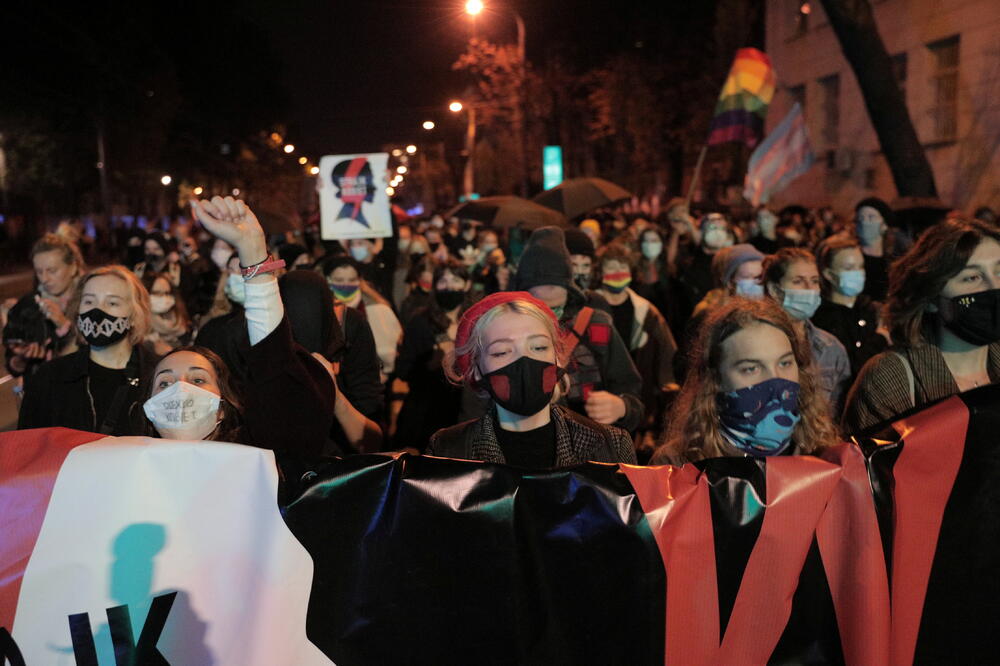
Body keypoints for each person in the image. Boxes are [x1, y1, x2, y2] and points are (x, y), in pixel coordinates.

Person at [139, 196, 338, 472]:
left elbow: (273, 364)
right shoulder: (128, 467)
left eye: (198, 379)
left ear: (222, 406)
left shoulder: (254, 464)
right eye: (164, 383)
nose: (181, 390)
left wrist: (252, 246)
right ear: (148, 406)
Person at [428, 291, 636, 466]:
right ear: (476, 370)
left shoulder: (611, 446)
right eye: (502, 352)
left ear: (557, 358)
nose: (524, 359)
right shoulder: (448, 451)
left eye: (538, 347)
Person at [842, 217, 1000, 433]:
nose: (994, 286)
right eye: (972, 277)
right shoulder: (890, 379)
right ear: (931, 298)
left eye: (999, 271)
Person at [651, 298, 839, 464]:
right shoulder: (677, 466)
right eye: (751, 368)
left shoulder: (825, 455)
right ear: (715, 380)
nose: (776, 379)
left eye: (785, 363)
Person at [503, 226, 644, 433]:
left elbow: (632, 392)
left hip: (591, 448)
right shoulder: (503, 332)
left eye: (556, 308)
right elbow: (478, 405)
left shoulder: (596, 324)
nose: (551, 318)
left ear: (570, 294)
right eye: (540, 309)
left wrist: (621, 407)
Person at [18, 265, 157, 435]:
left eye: (112, 302)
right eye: (89, 301)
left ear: (135, 315)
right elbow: (27, 447)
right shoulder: (50, 377)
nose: (97, 311)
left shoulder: (157, 377)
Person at [594, 243, 679, 451]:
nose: (617, 272)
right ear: (600, 271)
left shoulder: (646, 311)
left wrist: (667, 387)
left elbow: (667, 353)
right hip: (597, 394)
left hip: (637, 396)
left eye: (622, 266)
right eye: (611, 266)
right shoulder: (588, 308)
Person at [394, 260, 473, 450]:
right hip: (427, 412)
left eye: (455, 280)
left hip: (466, 411)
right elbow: (403, 370)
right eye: (442, 281)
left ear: (467, 284)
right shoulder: (421, 321)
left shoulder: (474, 322)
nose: (449, 286)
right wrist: (431, 363)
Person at [762, 248, 851, 412]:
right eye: (798, 281)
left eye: (815, 281)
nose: (809, 288)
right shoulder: (757, 345)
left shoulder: (832, 348)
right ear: (774, 290)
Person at [3, 233, 86, 377]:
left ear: (73, 267)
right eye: (39, 271)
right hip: (40, 394)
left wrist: (63, 325)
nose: (45, 279)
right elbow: (12, 364)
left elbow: (95, 358)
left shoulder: (90, 302)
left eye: (52, 271)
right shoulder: (29, 305)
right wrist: (21, 359)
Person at [813, 235, 888, 376]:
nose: (858, 273)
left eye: (860, 266)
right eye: (849, 268)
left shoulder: (871, 309)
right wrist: (881, 338)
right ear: (828, 274)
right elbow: (848, 367)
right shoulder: (822, 318)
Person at [321, 254, 402, 382]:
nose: (346, 285)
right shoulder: (320, 309)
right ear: (328, 279)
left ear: (359, 281)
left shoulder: (377, 309)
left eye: (352, 280)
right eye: (339, 280)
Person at [142, 271, 193, 355]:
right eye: (156, 293)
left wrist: (170, 353)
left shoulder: (181, 323)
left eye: (167, 293)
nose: (164, 298)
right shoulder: (138, 330)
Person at [854, 197, 894, 301]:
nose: (864, 223)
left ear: (884, 225)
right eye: (861, 218)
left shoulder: (893, 262)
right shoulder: (852, 260)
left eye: (871, 217)